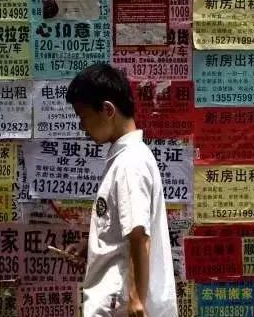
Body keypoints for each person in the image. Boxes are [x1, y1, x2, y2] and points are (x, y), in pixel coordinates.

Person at [61, 64, 177, 317]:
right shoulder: (126, 158)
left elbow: (138, 235)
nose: (82, 127)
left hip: (119, 307)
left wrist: (136, 300)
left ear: (107, 110)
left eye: (83, 116)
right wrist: (93, 244)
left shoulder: (130, 163)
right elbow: (125, 228)